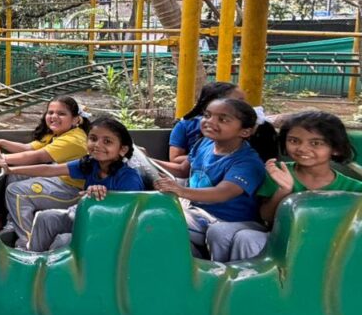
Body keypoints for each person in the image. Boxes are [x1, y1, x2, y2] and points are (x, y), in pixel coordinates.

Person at [226, 111, 362, 261]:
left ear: (336, 148)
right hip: (281, 237)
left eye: (315, 143)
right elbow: (267, 217)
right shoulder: (278, 172)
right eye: (294, 141)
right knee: (222, 231)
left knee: (247, 238)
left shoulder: (354, 188)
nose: (302, 148)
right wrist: (283, 190)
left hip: (326, 248)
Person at [2, 117, 143, 251]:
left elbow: (128, 217)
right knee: (45, 218)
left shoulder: (129, 177)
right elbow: (50, 170)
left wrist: (104, 197)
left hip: (108, 229)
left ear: (122, 150)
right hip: (87, 217)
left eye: (107, 141)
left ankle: (54, 266)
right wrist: (11, 170)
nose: (97, 145)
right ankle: (33, 259)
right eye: (93, 139)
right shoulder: (91, 164)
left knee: (63, 241)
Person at [153, 97, 266, 261]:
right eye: (207, 115)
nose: (210, 122)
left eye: (223, 119)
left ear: (245, 132)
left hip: (227, 220)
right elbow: (183, 170)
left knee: (163, 220)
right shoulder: (205, 143)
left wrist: (180, 190)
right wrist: (147, 160)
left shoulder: (247, 162)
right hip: (198, 213)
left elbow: (223, 192)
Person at [0, 96, 90, 249]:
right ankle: (13, 224)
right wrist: (1, 142)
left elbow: (38, 157)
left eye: (61, 114)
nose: (54, 117)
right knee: (16, 175)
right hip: (59, 178)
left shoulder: (73, 140)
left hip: (72, 191)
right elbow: (28, 148)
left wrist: (3, 158)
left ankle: (26, 243)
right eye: (50, 112)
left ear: (76, 120)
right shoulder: (57, 133)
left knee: (16, 191)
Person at [169, 82, 244, 164]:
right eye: (239, 101)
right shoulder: (187, 126)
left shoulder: (243, 126)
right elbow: (177, 161)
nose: (245, 105)